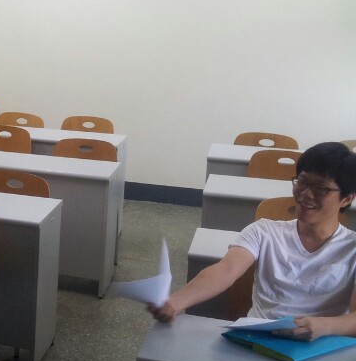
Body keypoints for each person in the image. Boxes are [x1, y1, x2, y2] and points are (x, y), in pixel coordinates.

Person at [151, 141, 356, 341]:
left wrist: (324, 326)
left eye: (321, 188)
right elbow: (225, 270)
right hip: (259, 338)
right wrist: (176, 302)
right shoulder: (264, 231)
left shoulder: (351, 247)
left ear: (347, 199)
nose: (306, 193)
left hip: (323, 343)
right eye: (302, 182)